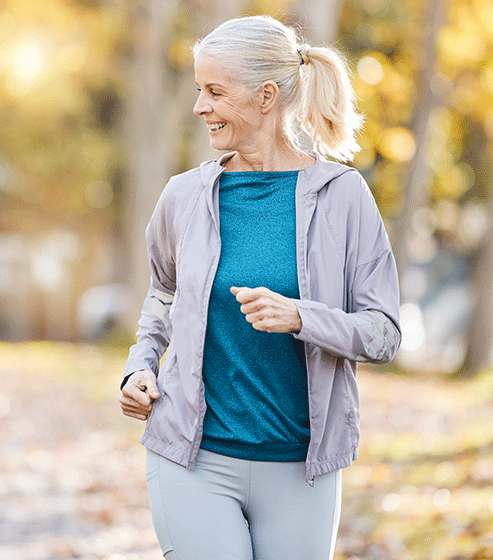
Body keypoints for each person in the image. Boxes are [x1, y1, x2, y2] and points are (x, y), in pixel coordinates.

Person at [119, 15, 401, 560]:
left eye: (215, 92)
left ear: (266, 96)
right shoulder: (184, 197)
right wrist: (140, 367)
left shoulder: (344, 197)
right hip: (192, 458)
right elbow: (162, 297)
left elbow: (385, 332)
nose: (200, 106)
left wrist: (303, 317)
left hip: (301, 466)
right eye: (199, 90)